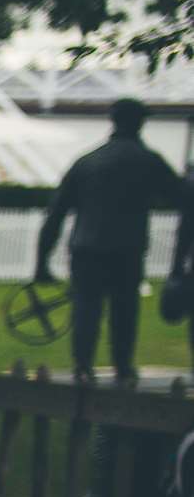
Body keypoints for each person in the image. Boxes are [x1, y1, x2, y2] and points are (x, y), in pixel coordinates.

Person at [35, 98, 182, 382]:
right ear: (140, 123)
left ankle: (82, 365)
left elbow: (56, 215)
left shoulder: (87, 161)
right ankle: (123, 367)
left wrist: (41, 261)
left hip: (86, 249)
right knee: (124, 311)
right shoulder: (148, 161)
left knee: (86, 310)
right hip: (126, 249)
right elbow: (180, 198)